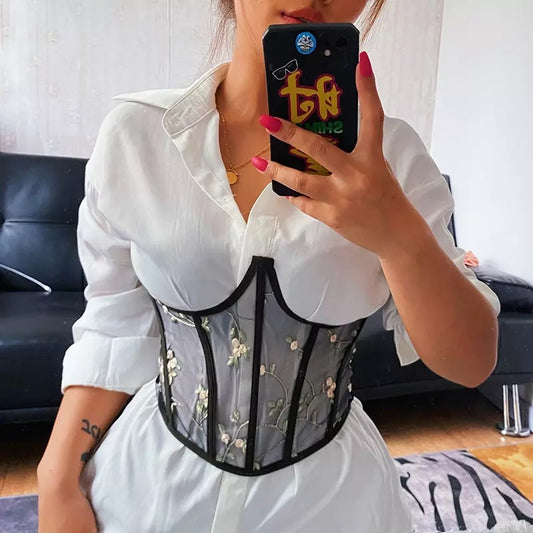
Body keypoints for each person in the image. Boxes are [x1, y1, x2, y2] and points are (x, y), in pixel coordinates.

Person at [37, 1, 501, 532]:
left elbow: (470, 363)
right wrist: (57, 478)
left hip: (331, 503)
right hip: (150, 489)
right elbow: (113, 327)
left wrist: (399, 237)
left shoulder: (392, 159)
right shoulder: (138, 137)